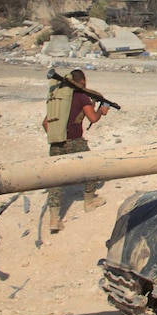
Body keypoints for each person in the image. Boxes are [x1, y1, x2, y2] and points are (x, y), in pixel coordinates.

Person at [41, 69, 110, 233]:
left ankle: (54, 219)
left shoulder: (59, 99)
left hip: (57, 142)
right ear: (83, 82)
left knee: (55, 179)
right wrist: (102, 110)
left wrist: (57, 136)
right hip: (75, 142)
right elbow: (93, 118)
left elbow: (45, 123)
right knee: (91, 168)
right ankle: (89, 201)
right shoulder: (81, 97)